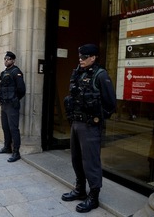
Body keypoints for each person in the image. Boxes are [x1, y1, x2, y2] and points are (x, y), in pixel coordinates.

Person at [62, 44, 116, 213]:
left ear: (93, 58)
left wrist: (97, 119)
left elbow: (110, 104)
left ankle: (93, 196)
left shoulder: (100, 75)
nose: (81, 60)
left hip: (90, 125)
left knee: (91, 162)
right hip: (76, 123)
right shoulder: (78, 72)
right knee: (76, 158)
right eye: (80, 57)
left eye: (84, 57)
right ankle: (79, 189)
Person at [0, 51, 26, 162]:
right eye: (5, 59)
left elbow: (22, 89)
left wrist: (15, 99)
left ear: (13, 60)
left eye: (8, 59)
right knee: (5, 127)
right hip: (4, 104)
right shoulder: (4, 72)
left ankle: (16, 152)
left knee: (13, 129)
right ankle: (7, 147)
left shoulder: (16, 72)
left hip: (12, 105)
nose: (6, 60)